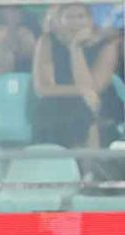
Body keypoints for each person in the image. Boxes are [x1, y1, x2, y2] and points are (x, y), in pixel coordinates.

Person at [32, 3, 122, 150]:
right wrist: (80, 91)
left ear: (90, 20)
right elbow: (43, 88)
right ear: (59, 20)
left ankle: (90, 163)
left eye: (81, 17)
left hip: (101, 104)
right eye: (69, 17)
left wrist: (75, 49)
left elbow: (93, 89)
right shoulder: (47, 41)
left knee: (83, 109)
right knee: (54, 108)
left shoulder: (107, 45)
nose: (75, 22)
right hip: (59, 103)